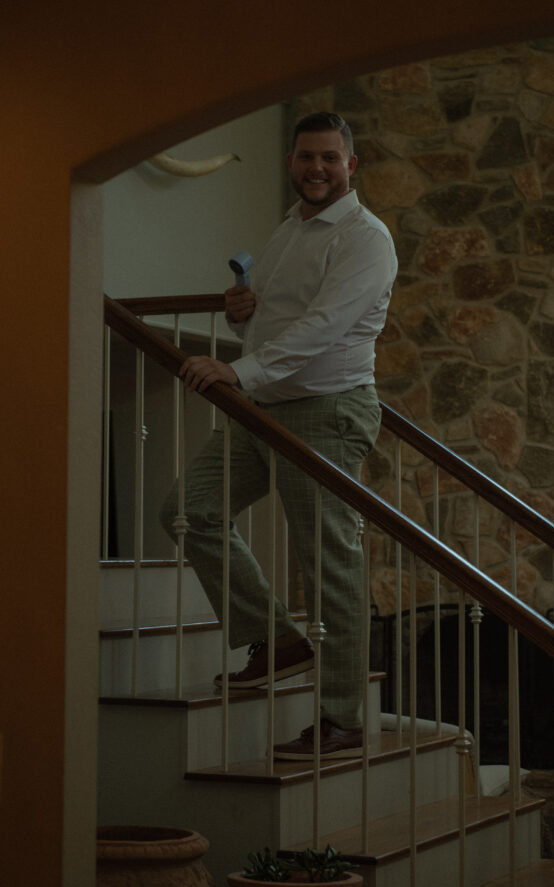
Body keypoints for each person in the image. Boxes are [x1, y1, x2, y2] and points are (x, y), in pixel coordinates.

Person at [160, 111, 397, 760]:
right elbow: (273, 322)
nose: (316, 168)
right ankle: (278, 637)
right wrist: (241, 315)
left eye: (329, 157)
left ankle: (345, 719)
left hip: (326, 412)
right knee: (188, 509)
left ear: (352, 164)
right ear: (291, 163)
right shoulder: (291, 227)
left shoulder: (365, 238)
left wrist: (235, 370)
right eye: (305, 157)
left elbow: (323, 328)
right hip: (264, 407)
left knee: (328, 562)